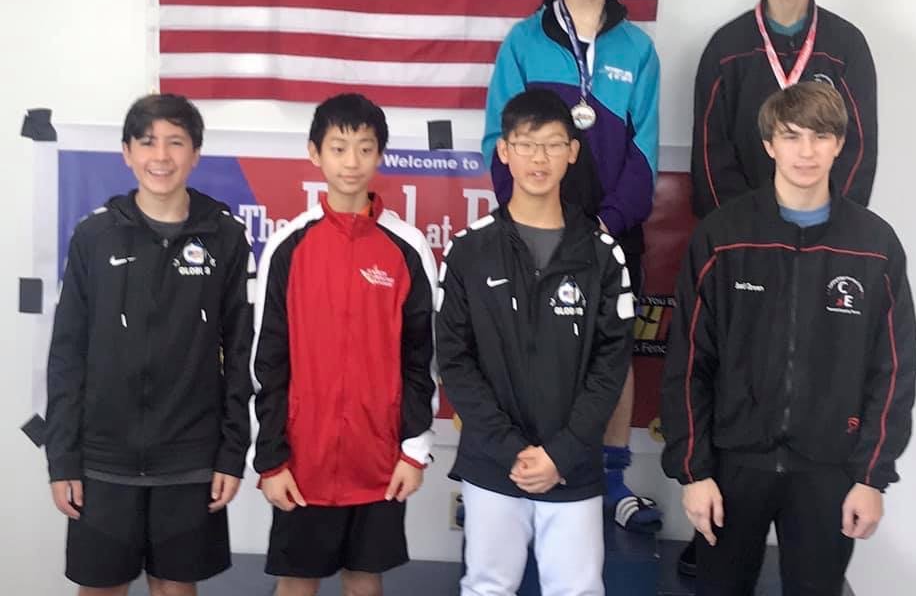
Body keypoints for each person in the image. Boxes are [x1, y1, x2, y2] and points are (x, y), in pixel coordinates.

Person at [661, 82, 916, 595]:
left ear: (840, 144)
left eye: (820, 136)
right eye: (791, 136)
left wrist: (871, 476)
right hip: (733, 469)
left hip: (828, 472)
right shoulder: (722, 236)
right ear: (769, 144)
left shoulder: (874, 245)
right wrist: (693, 472)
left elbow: (893, 370)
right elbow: (689, 361)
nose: (806, 152)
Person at [482, 0, 662, 531]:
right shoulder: (523, 41)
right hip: (535, 232)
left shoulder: (638, 49)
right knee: (533, 345)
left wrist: (605, 225)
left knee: (613, 352)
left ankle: (613, 481)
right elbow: (497, 141)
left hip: (611, 234)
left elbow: (644, 151)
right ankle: (528, 464)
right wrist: (534, 219)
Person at [45, 94, 254, 595]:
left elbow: (241, 355)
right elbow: (66, 354)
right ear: (127, 153)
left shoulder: (225, 237)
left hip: (188, 458)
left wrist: (230, 453)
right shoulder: (94, 236)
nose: (161, 156)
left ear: (195, 153)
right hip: (103, 458)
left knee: (175, 589)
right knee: (100, 589)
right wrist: (64, 460)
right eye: (147, 142)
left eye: (175, 142)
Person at [439, 89, 636, 595]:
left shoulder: (601, 253)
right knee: (487, 587)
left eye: (552, 144)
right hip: (492, 463)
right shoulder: (469, 250)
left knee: (576, 589)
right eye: (526, 144)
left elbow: (610, 364)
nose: (538, 158)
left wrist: (561, 453)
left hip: (571, 466)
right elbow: (455, 362)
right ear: (503, 151)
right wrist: (510, 450)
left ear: (572, 151)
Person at [252, 93, 437, 596]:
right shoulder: (289, 246)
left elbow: (423, 358)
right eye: (338, 148)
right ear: (315, 154)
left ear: (380, 155)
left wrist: (414, 449)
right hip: (302, 459)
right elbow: (266, 361)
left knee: (364, 579)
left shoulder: (408, 247)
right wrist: (271, 458)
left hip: (379, 457)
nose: (351, 162)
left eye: (364, 148)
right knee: (297, 581)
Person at [691, 0, 877, 220]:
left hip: (826, 229)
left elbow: (859, 147)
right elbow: (710, 149)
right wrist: (737, 222)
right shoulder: (727, 47)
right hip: (743, 230)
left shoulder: (847, 45)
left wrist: (835, 218)